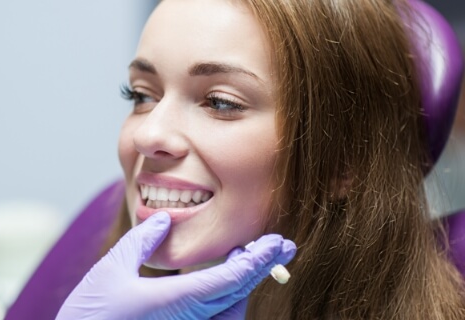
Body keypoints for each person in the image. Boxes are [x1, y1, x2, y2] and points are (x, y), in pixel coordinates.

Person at [56, 0, 465, 318]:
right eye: (143, 95)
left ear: (343, 162)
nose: (147, 135)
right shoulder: (95, 233)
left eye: (220, 102)